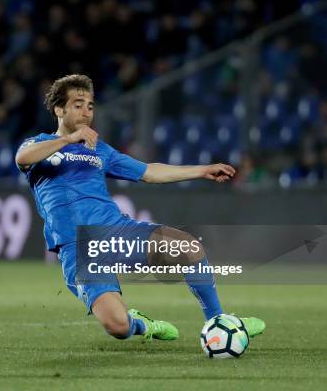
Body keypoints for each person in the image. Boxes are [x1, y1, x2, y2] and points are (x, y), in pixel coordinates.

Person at [16, 74, 265, 341]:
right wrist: (68, 139)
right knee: (118, 327)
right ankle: (141, 325)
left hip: (116, 232)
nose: (86, 111)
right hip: (77, 248)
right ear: (59, 109)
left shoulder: (100, 151)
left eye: (90, 105)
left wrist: (201, 170)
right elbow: (22, 158)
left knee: (188, 248)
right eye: (78, 104)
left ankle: (218, 320)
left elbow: (150, 172)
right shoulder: (39, 144)